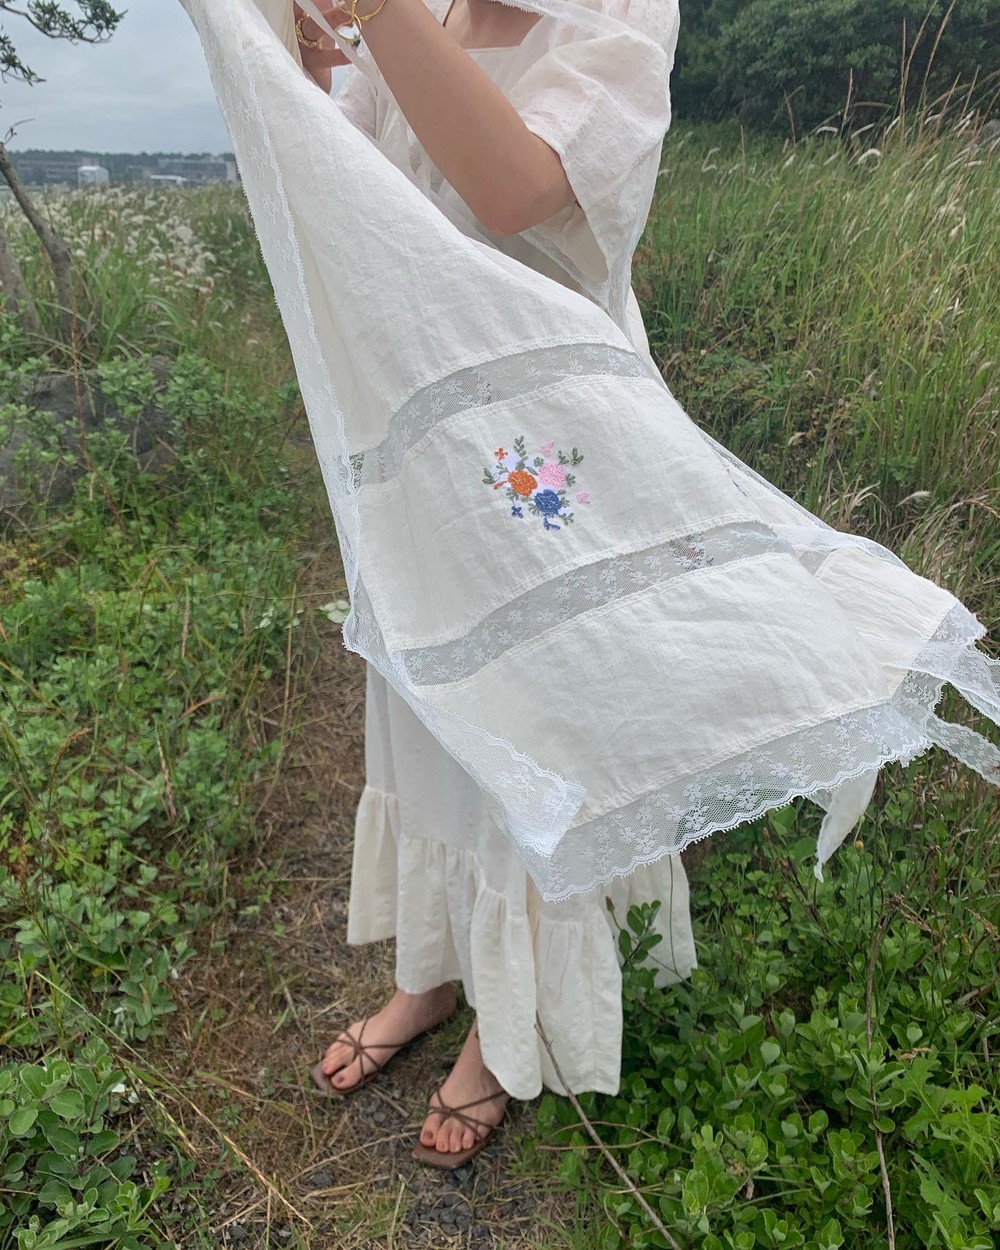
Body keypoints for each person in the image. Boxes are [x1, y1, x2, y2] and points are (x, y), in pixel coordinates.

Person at [294, 0, 696, 1167]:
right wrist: (304, 57)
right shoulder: (422, 11)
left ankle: (506, 1019)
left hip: (548, 447)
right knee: (423, 701)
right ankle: (432, 969)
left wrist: (374, 13)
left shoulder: (617, 10)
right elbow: (337, 190)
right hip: (420, 435)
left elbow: (515, 186)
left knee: (537, 717)